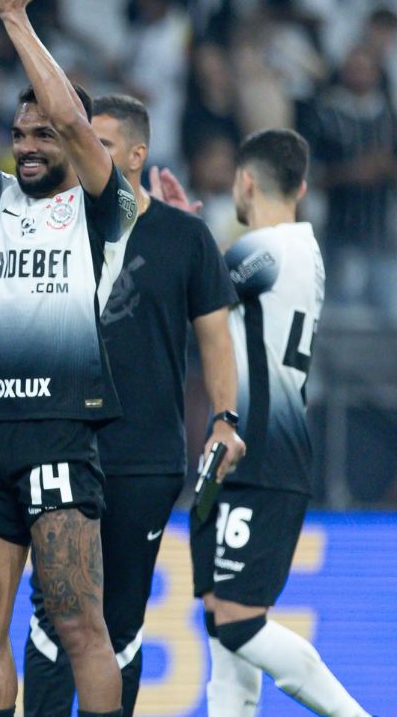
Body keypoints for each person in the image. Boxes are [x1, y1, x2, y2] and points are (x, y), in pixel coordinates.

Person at [0, 0, 134, 717]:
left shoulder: (99, 205)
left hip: (60, 429)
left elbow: (78, 123)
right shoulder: (1, 201)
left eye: (41, 134)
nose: (27, 146)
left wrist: (17, 20)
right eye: (19, 135)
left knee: (78, 622)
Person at [21, 94, 245, 717]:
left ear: (138, 154)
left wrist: (224, 420)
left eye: (102, 143)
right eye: (80, 139)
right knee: (54, 607)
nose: (84, 152)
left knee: (119, 616)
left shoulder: (184, 236)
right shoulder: (55, 223)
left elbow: (216, 339)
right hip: (64, 447)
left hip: (144, 455)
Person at [164, 130, 373, 716]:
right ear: (302, 188)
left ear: (245, 182)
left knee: (238, 623)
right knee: (220, 625)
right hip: (234, 457)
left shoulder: (268, 249)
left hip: (260, 456)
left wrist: (174, 228)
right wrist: (190, 229)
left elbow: (187, 289)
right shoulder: (297, 250)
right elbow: (214, 281)